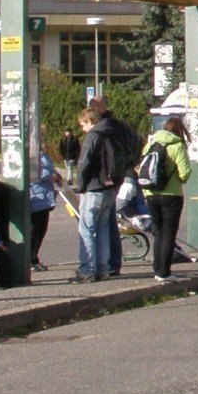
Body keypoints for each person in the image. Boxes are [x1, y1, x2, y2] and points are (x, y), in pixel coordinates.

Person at [140, 115, 192, 281]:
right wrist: (177, 178)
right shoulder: (177, 145)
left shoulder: (151, 144)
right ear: (179, 130)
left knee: (158, 232)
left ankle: (157, 270)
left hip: (151, 194)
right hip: (172, 195)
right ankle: (165, 272)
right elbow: (185, 173)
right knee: (169, 233)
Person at [71, 107, 119, 283]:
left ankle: (88, 271)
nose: (82, 129)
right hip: (109, 189)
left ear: (90, 121)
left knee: (86, 231)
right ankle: (104, 269)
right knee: (103, 229)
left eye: (83, 124)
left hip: (93, 189)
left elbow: (84, 162)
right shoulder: (111, 134)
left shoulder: (93, 136)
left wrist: (81, 186)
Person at [92, 103, 139, 277]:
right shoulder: (121, 127)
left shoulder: (104, 131)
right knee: (110, 222)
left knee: (102, 225)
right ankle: (112, 264)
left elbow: (104, 158)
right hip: (121, 176)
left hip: (107, 181)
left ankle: (105, 264)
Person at [28, 128, 60, 270]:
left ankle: (34, 257)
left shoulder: (42, 154)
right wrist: (53, 177)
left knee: (41, 230)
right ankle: (29, 259)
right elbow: (36, 173)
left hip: (45, 197)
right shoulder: (30, 154)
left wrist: (57, 176)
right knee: (34, 230)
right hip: (35, 196)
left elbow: (50, 168)